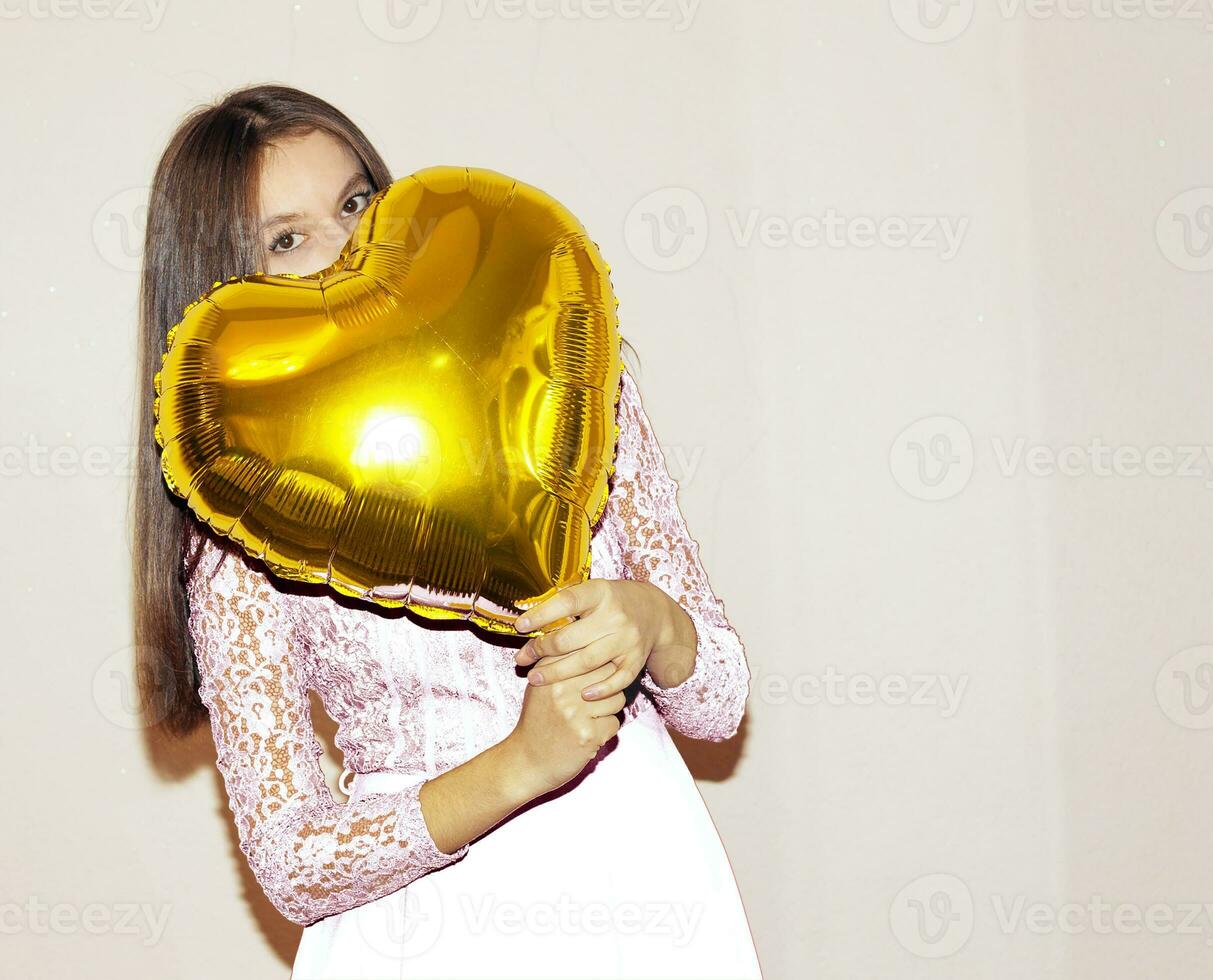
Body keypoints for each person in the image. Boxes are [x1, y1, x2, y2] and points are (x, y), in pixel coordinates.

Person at [130, 83, 762, 979]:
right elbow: (293, 861)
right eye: (286, 237)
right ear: (216, 292)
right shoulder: (236, 511)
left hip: (647, 884)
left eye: (355, 203)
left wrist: (653, 622)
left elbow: (719, 705)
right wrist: (519, 764)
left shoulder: (559, 374)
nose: (345, 250)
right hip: (435, 935)